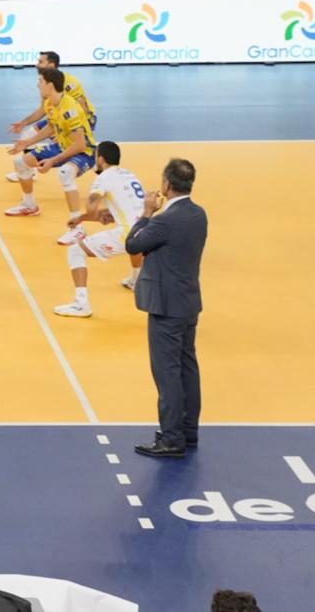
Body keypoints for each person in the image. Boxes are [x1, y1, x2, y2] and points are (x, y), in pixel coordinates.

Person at [126, 157, 207, 458]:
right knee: (188, 367)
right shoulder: (199, 215)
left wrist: (146, 213)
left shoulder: (164, 221)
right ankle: (188, 430)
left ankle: (171, 438)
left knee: (167, 372)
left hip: (166, 307)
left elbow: (132, 245)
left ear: (167, 185)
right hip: (188, 303)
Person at [52, 140, 147, 318]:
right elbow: (123, 207)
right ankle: (135, 280)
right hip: (147, 230)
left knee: (75, 251)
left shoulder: (103, 178)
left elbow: (92, 207)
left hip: (127, 234)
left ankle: (81, 304)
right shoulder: (129, 174)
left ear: (101, 159)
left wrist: (88, 209)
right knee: (135, 239)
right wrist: (81, 218)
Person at [6, 68, 97, 241]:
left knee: (65, 173)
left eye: (40, 81)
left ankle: (78, 228)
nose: (37, 84)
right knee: (21, 163)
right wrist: (26, 143)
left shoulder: (70, 109)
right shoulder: (50, 103)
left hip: (85, 151)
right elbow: (52, 127)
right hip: (62, 146)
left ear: (50, 84)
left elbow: (80, 144)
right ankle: (30, 205)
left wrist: (52, 161)